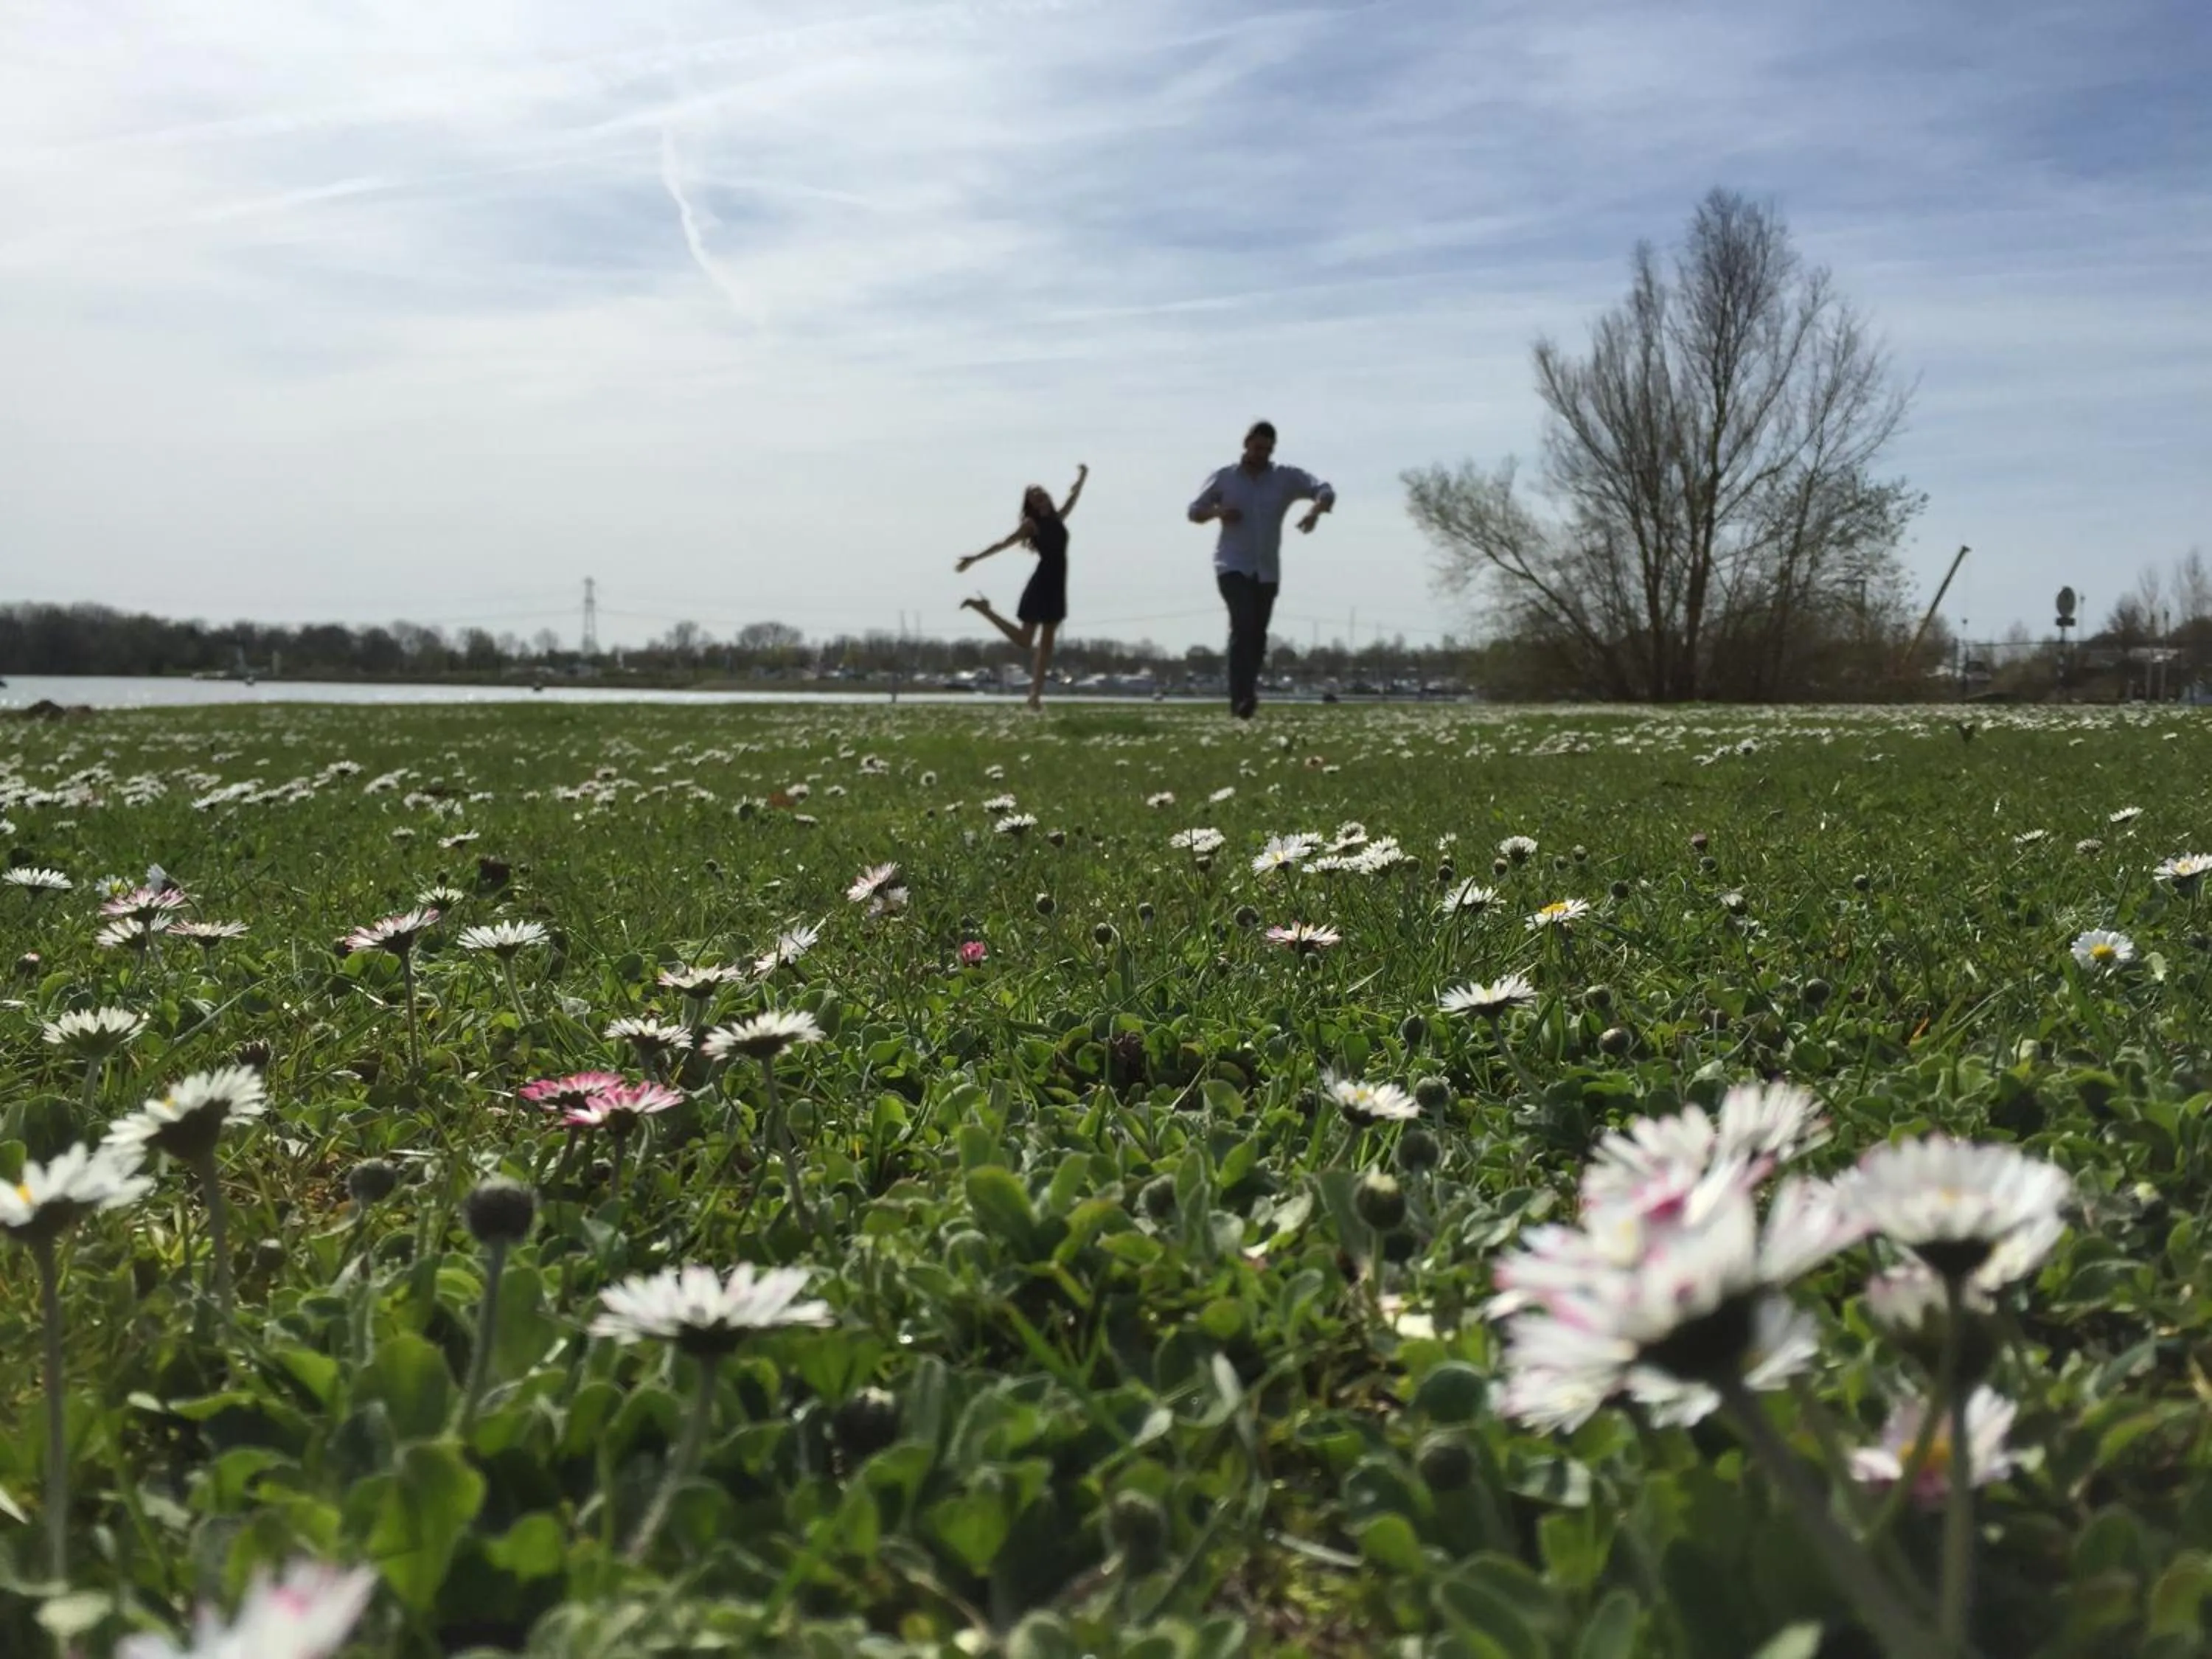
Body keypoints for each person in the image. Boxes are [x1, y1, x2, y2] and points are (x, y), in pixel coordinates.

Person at [1186, 421, 1333, 718]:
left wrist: (1314, 512)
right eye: (1257, 448)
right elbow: (1194, 511)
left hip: (1267, 570)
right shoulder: (1225, 478)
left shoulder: (1284, 478)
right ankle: (1241, 700)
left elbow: (1324, 489)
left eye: (1268, 450)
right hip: (1231, 565)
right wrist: (1218, 512)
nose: (1262, 454)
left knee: (1258, 635)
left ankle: (1247, 695)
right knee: (1243, 624)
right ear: (1246, 444)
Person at [959, 464, 1086, 709]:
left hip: (1058, 584)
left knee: (1046, 645)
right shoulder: (1031, 524)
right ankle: (984, 609)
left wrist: (1082, 477)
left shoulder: (1058, 517)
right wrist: (974, 558)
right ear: (1031, 504)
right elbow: (1004, 543)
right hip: (1042, 582)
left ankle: (1034, 697)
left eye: (1041, 493)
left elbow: (1074, 497)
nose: (1040, 498)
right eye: (1034, 497)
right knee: (1025, 641)